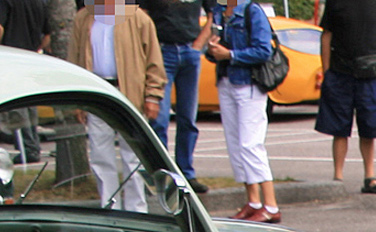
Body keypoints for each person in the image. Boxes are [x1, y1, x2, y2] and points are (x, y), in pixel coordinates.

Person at [70, 0, 163, 208]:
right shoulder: (84, 18)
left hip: (129, 93)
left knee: (133, 156)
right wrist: (78, 99)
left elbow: (154, 61)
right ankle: (110, 207)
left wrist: (153, 96)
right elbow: (75, 58)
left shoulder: (138, 18)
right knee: (100, 155)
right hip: (96, 92)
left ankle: (137, 211)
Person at [318, 0, 376, 194]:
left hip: (371, 72)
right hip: (340, 72)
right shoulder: (335, 3)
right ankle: (338, 177)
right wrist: (327, 72)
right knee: (339, 128)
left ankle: (370, 177)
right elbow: (326, 35)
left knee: (370, 127)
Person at [204, 0, 279, 220]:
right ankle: (253, 200)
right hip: (227, 81)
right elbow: (214, 52)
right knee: (235, 143)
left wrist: (230, 55)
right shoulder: (219, 11)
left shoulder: (251, 10)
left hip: (249, 83)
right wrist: (213, 50)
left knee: (251, 143)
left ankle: (271, 205)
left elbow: (263, 50)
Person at [139, 0, 207, 193]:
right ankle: (160, 174)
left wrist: (198, 45)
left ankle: (186, 173)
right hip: (162, 50)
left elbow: (213, 14)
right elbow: (143, 14)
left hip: (190, 50)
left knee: (188, 118)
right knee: (159, 119)